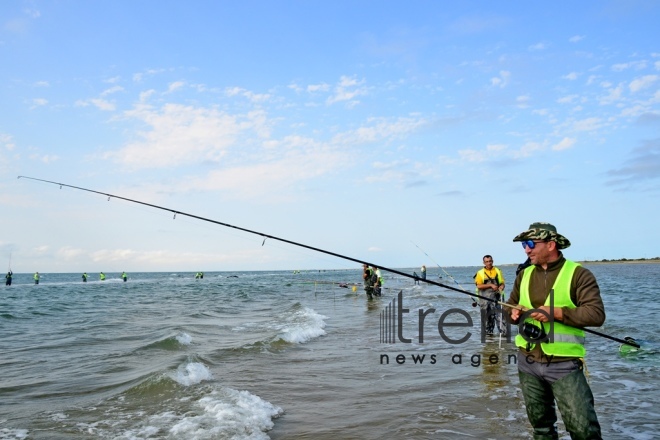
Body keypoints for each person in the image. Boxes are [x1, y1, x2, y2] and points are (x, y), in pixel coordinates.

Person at [507, 222, 605, 439]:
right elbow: (510, 306)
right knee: (541, 429)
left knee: (584, 431)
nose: (526, 249)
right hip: (527, 363)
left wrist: (558, 313)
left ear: (551, 244)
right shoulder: (523, 274)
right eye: (524, 244)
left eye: (531, 243)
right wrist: (512, 314)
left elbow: (596, 315)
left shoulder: (579, 274)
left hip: (564, 365)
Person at [474, 255, 505, 335]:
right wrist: (490, 285)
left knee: (501, 318)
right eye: (487, 262)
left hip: (497, 298)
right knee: (488, 320)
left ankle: (504, 336)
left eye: (490, 261)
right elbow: (479, 285)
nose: (489, 263)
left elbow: (502, 283)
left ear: (492, 261)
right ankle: (489, 341)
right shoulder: (480, 273)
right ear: (484, 263)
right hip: (485, 300)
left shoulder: (498, 270)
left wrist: (501, 287)